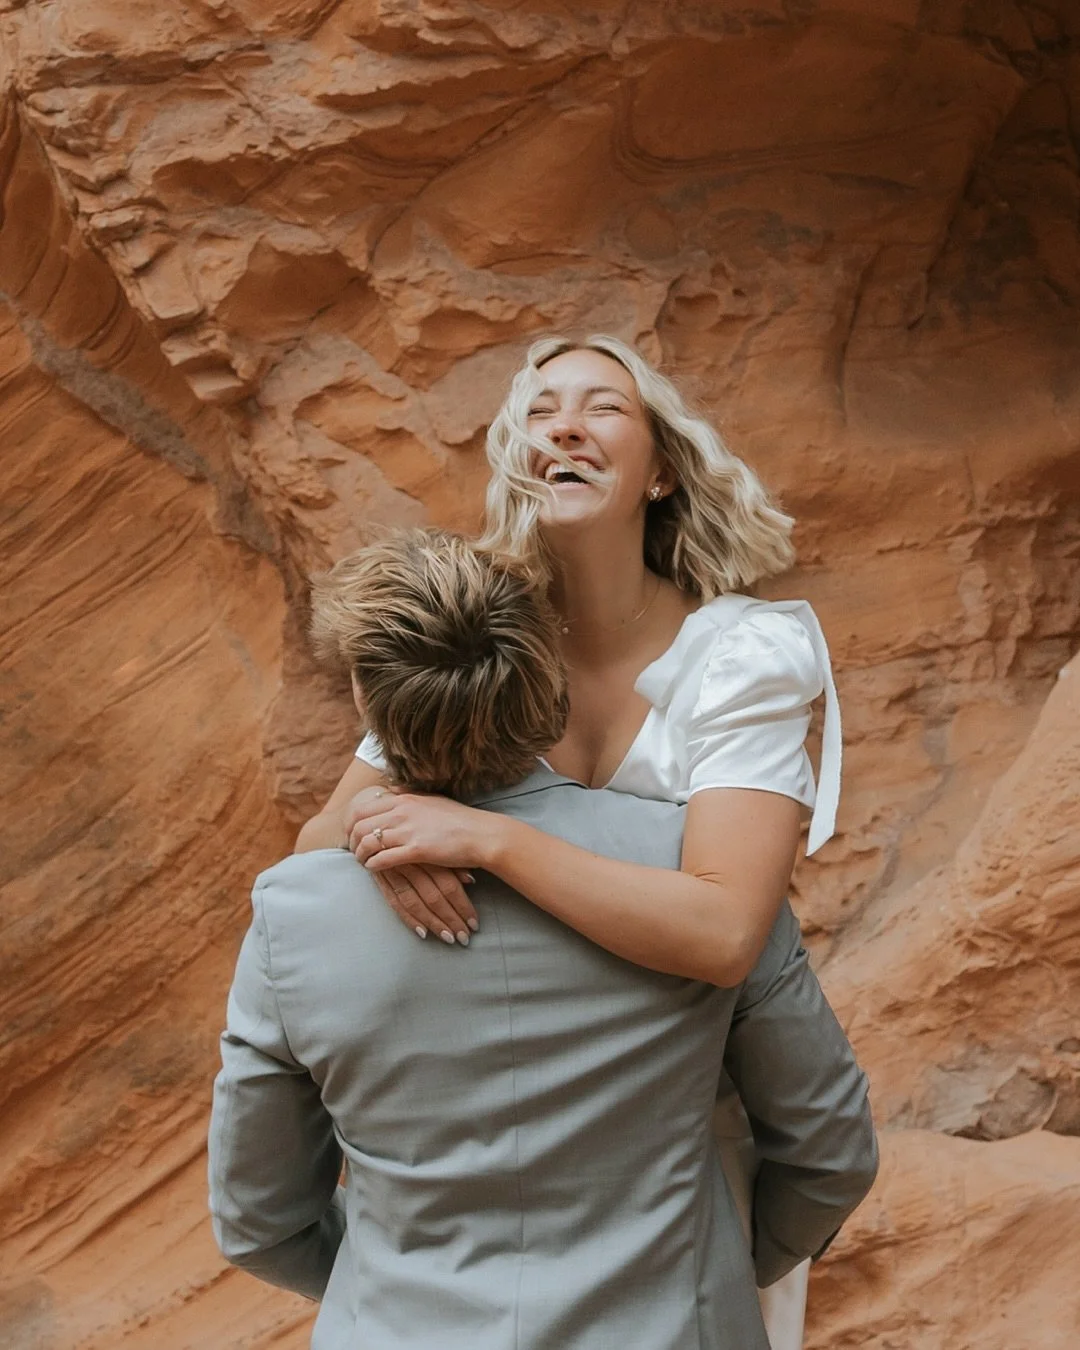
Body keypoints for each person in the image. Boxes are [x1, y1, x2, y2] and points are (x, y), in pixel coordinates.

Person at [296, 335, 843, 1346]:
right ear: (516, 457)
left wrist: (486, 840)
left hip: (683, 1146)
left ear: (662, 470)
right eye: (540, 411)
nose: (565, 426)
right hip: (482, 1134)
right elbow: (317, 845)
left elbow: (726, 930)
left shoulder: (743, 656)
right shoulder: (474, 634)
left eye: (603, 408)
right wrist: (387, 843)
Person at [208, 530, 877, 1350]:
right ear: (544, 678)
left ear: (365, 705)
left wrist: (394, 1286)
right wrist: (713, 1271)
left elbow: (258, 1218)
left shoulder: (293, 914)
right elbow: (830, 1153)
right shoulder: (688, 871)